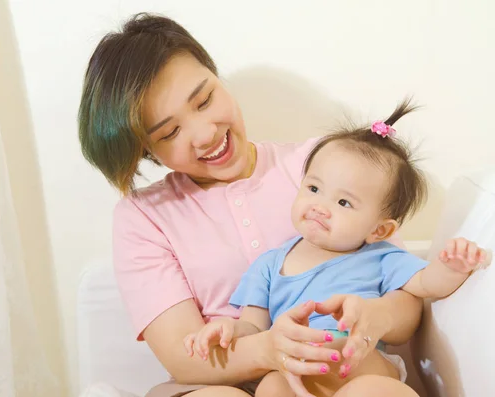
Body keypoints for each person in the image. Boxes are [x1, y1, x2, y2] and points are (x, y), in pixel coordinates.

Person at [78, 12, 425, 397]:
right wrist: (269, 348)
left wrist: (374, 317)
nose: (205, 134)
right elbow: (183, 356)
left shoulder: (320, 166)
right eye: (170, 132)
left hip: (333, 373)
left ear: (216, 76)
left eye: (205, 99)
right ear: (146, 149)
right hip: (217, 383)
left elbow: (406, 296)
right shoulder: (143, 217)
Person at [183, 100, 490, 396]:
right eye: (314, 189)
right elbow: (252, 327)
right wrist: (227, 331)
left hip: (360, 366)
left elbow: (426, 284)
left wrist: (452, 266)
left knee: (375, 387)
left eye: (343, 202)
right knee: (272, 386)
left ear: (379, 229)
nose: (320, 206)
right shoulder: (268, 264)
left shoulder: (381, 257)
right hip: (294, 371)